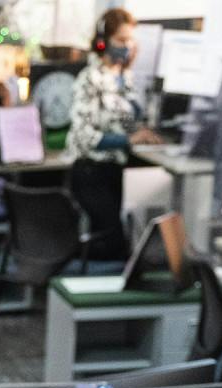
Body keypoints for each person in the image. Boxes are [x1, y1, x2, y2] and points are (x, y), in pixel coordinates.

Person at [65, 8, 165, 261]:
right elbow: (83, 135)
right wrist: (128, 140)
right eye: (121, 39)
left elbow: (124, 119)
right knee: (114, 245)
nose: (127, 46)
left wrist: (141, 132)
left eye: (131, 40)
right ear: (103, 41)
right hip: (91, 172)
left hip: (114, 172)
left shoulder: (124, 78)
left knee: (120, 240)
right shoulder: (90, 79)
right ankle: (70, 260)